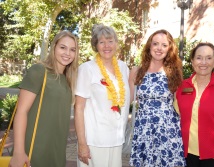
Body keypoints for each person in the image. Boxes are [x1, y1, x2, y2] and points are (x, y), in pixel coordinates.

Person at [9, 30, 79, 167]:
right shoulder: (39, 71)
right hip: (35, 147)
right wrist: (18, 151)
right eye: (63, 47)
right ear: (54, 47)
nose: (67, 53)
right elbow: (21, 111)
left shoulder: (68, 79)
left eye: (72, 50)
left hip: (56, 149)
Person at [174, 42, 214, 167]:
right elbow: (175, 117)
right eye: (199, 58)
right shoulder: (182, 87)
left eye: (209, 58)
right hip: (185, 155)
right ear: (192, 61)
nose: (203, 62)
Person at [74, 24, 130, 167]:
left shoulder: (123, 67)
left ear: (116, 44)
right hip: (94, 141)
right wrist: (82, 144)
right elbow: (79, 108)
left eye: (110, 41)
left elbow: (127, 99)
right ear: (96, 45)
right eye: (101, 42)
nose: (107, 46)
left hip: (117, 139)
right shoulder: (87, 69)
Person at [129, 29, 186, 167]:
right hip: (144, 129)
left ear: (169, 49)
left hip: (168, 130)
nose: (159, 48)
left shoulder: (173, 73)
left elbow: (182, 104)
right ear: (149, 46)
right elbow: (128, 100)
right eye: (155, 44)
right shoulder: (136, 71)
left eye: (164, 45)